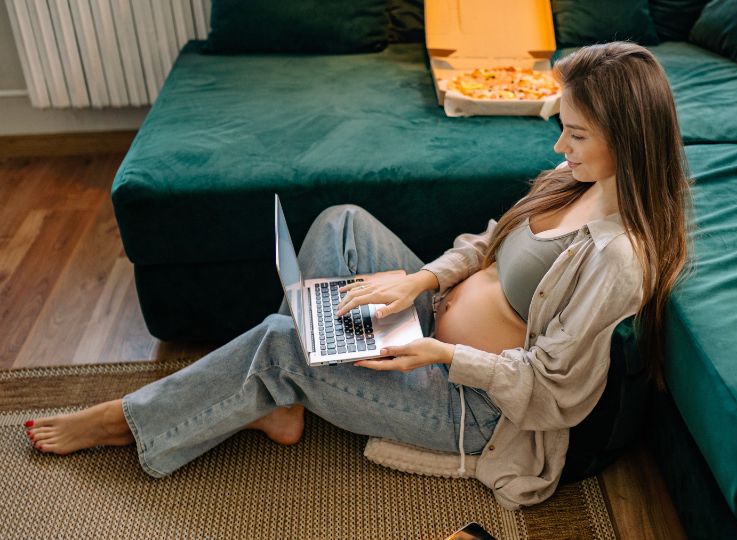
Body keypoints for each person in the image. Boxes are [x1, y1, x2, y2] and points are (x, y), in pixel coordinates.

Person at [22, 41, 690, 509]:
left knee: (285, 342)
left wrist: (440, 353)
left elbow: (553, 393)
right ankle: (289, 394)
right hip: (430, 332)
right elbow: (486, 244)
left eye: (573, 133)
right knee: (342, 223)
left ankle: (132, 423)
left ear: (626, 139)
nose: (557, 145)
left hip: (473, 408)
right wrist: (419, 284)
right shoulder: (571, 182)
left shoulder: (617, 256)